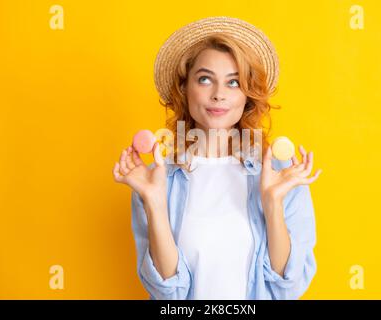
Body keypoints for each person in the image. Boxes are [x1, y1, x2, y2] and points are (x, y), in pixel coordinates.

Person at [113, 16, 322, 300]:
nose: (219, 95)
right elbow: (167, 294)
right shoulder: (158, 180)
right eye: (205, 79)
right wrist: (154, 203)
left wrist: (273, 204)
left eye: (233, 82)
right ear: (184, 89)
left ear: (247, 97)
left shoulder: (282, 174)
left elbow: (287, 287)